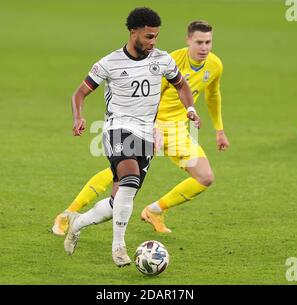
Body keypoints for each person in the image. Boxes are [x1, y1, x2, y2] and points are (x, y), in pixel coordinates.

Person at [54, 19, 227, 241]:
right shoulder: (169, 60)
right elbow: (150, 96)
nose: (204, 48)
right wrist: (153, 128)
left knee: (205, 176)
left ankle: (155, 210)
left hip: (178, 130)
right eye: (199, 42)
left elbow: (213, 96)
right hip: (147, 125)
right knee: (121, 173)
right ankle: (69, 214)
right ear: (188, 41)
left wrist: (219, 129)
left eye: (208, 42)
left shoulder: (215, 65)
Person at [66, 7, 199, 267]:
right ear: (133, 32)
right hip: (117, 128)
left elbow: (181, 84)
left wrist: (190, 109)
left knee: (120, 201)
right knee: (130, 178)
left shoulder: (161, 59)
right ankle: (119, 248)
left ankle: (77, 222)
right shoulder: (109, 63)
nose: (153, 42)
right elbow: (79, 93)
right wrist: (78, 117)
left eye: (156, 37)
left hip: (146, 134)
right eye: (148, 37)